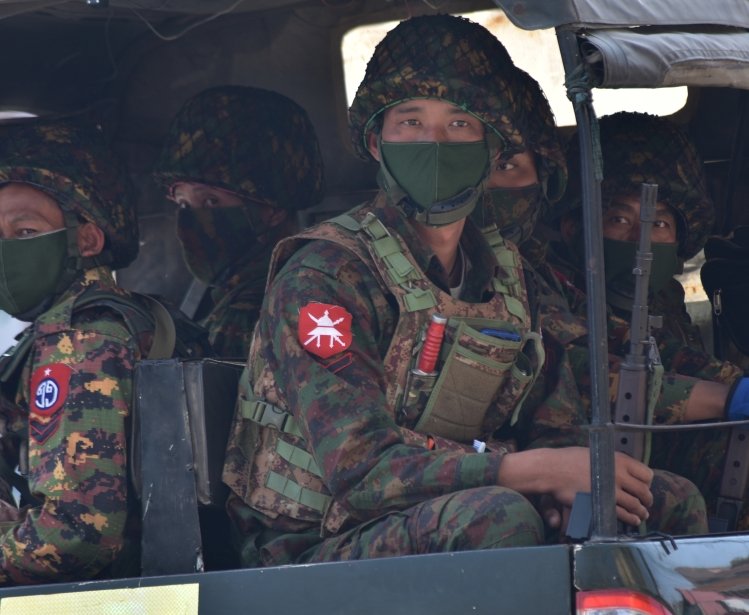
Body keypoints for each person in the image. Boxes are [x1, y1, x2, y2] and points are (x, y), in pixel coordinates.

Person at [221, 15, 707, 568]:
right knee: (499, 517)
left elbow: (554, 420)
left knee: (663, 501)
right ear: (377, 143)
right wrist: (531, 473)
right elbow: (360, 473)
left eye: (458, 125)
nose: (433, 144)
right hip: (313, 542)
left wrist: (558, 482)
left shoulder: (505, 273)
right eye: (410, 122)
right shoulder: (327, 275)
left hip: (447, 510)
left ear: (487, 147)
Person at [544, 111, 749, 527]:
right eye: (618, 219)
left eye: (658, 222)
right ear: (573, 226)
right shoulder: (550, 290)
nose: (639, 237)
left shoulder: (664, 302)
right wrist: (728, 398)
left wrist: (732, 385)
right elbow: (587, 374)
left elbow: (676, 359)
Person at [0, 116, 176, 584]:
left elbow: (75, 537)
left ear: (87, 238)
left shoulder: (82, 339)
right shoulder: (126, 318)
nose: (5, 250)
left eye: (26, 232)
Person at [152, 85, 326, 358]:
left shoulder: (252, 314)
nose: (190, 220)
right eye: (183, 203)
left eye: (211, 201)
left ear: (271, 210)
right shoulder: (305, 280)